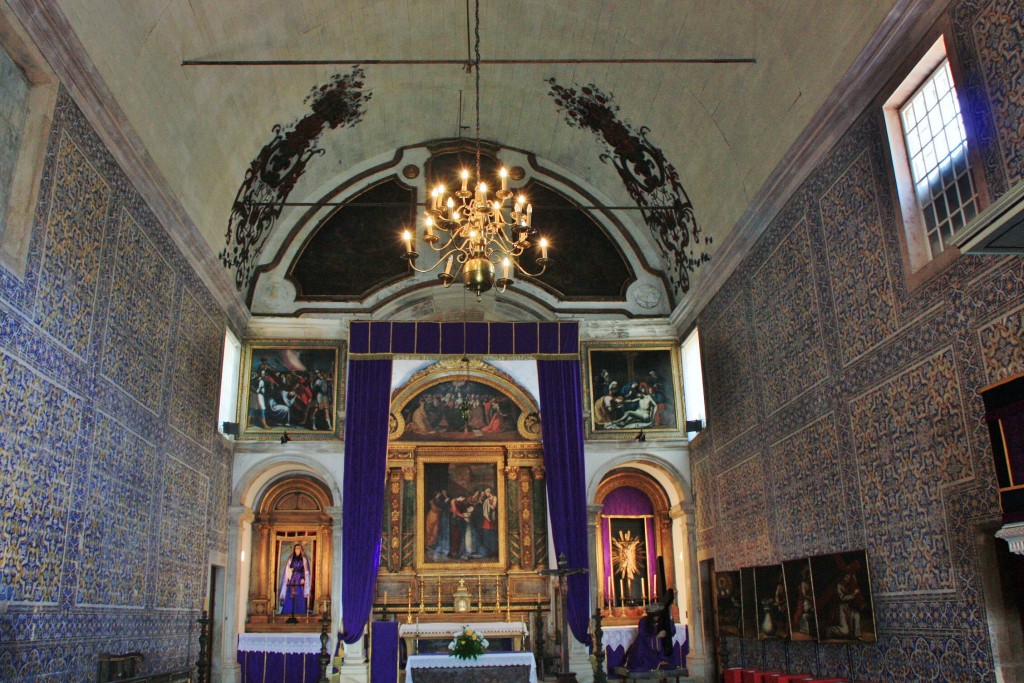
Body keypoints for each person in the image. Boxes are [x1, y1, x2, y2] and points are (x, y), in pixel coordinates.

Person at [625, 598, 676, 672]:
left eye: (658, 615)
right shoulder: (644, 621)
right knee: (640, 663)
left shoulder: (664, 620)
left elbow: (672, 632)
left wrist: (670, 619)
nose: (656, 617)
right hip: (644, 647)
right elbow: (644, 636)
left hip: (661, 647)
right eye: (654, 615)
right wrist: (657, 637)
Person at [279, 544, 310, 615]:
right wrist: (289, 574)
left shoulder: (303, 559)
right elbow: (288, 568)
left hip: (299, 578)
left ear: (301, 550)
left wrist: (303, 578)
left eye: (299, 549)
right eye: (296, 549)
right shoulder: (291, 559)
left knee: (299, 593)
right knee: (290, 593)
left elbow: (305, 570)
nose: (297, 550)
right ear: (294, 550)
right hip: (292, 578)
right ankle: (288, 611)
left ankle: (300, 611)